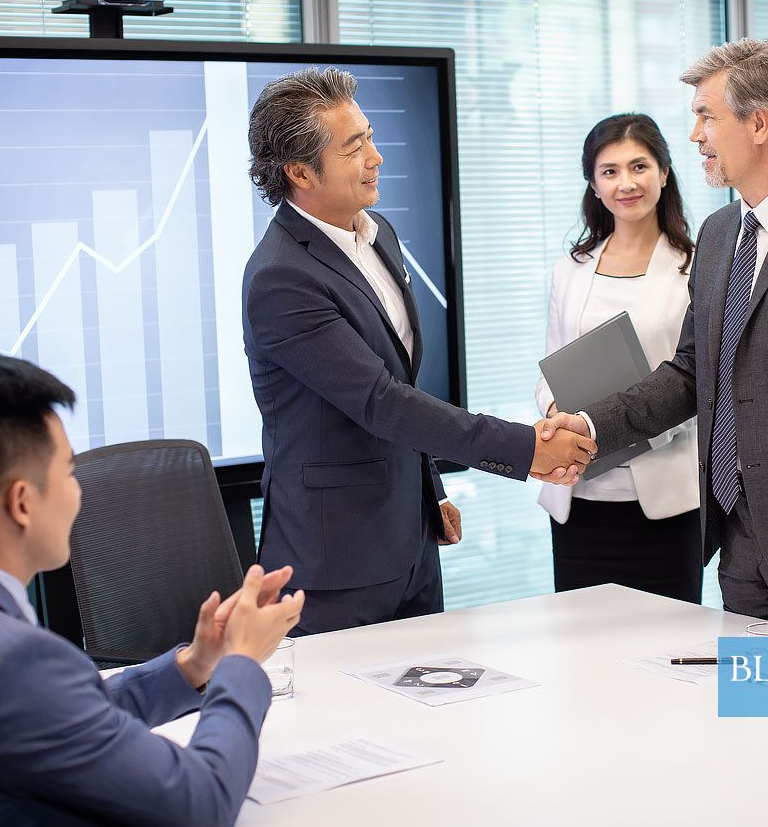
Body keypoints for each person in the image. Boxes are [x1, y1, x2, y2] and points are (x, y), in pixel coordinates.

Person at [543, 39, 768, 636]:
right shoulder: (720, 233)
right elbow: (691, 372)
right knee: (753, 727)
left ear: (760, 123)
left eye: (707, 116)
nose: (695, 135)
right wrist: (590, 425)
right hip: (740, 545)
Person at [0, 354, 305, 825]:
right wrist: (242, 664)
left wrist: (195, 665)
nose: (77, 492)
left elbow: (57, 716)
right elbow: (199, 803)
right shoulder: (8, 661)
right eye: (67, 473)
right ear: (21, 502)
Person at [243, 68, 595, 636]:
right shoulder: (281, 278)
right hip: (335, 561)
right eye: (354, 148)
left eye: (371, 137)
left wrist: (428, 492)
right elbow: (380, 401)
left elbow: (396, 379)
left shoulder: (378, 233)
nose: (376, 157)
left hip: (410, 540)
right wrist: (525, 448)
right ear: (299, 171)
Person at [536, 113, 703, 603]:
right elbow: (550, 361)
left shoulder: (695, 267)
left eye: (639, 167)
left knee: (667, 653)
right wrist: (556, 418)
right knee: (584, 653)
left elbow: (697, 380)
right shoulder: (572, 268)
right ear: (593, 182)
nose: (625, 183)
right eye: (609, 171)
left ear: (664, 173)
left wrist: (614, 429)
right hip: (580, 501)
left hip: (663, 502)